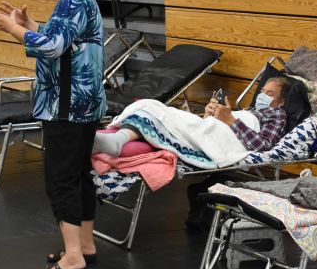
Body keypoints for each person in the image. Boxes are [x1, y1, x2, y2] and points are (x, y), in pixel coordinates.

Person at [0, 0, 106, 269]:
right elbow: (66, 42)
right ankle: (84, 245)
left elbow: (53, 47)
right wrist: (29, 27)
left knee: (62, 180)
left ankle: (73, 257)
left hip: (66, 108)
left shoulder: (73, 1)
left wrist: (14, 31)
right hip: (82, 106)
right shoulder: (79, 1)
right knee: (78, 174)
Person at [93, 78, 290, 229]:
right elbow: (208, 128)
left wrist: (230, 120)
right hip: (214, 130)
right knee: (151, 106)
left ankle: (117, 141)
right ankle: (118, 140)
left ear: (280, 102)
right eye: (262, 90)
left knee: (156, 108)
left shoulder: (277, 114)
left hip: (227, 139)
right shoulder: (250, 109)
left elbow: (263, 145)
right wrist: (209, 115)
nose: (262, 95)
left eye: (269, 93)